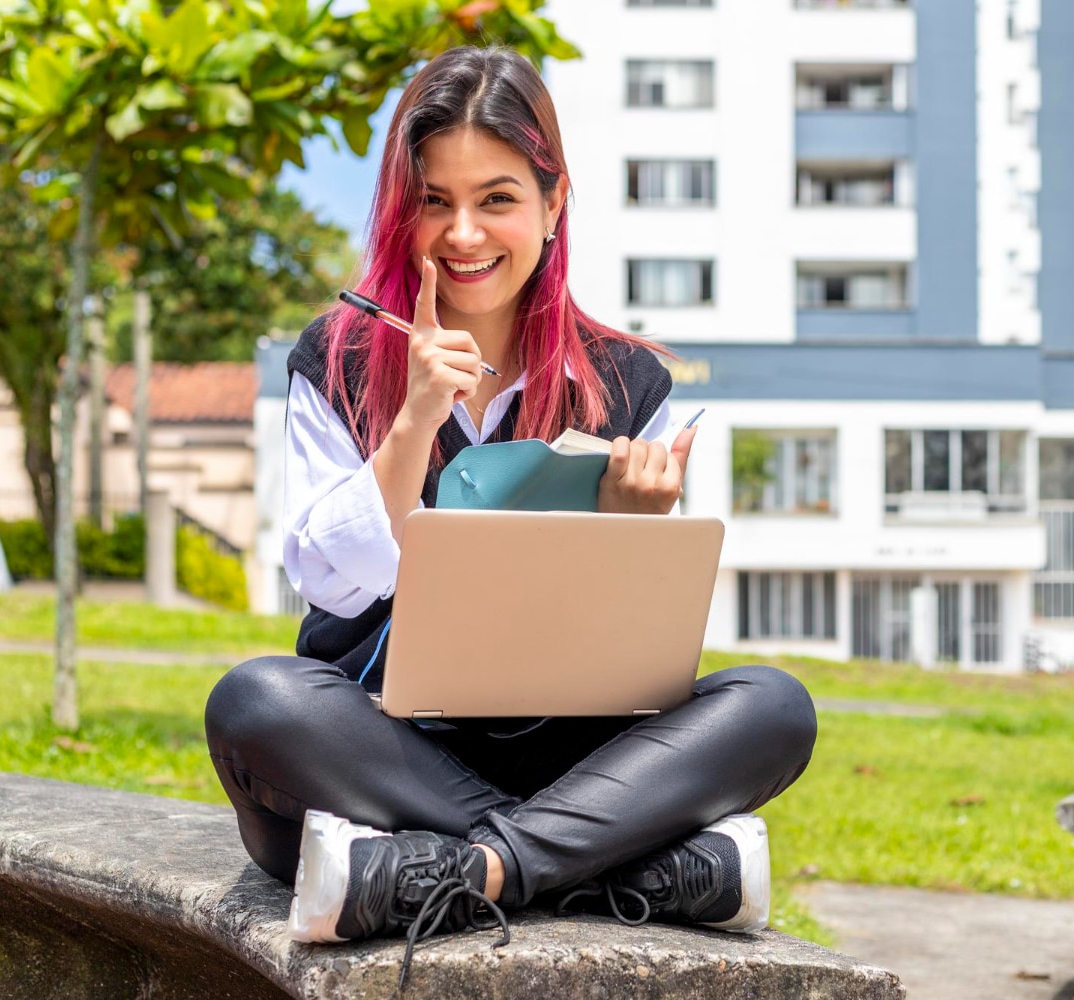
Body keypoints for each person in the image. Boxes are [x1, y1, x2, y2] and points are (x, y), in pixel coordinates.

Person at [202, 45, 817, 975]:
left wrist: (629, 529)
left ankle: (452, 871)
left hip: (569, 757)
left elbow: (635, 653)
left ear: (552, 204)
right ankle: (622, 869)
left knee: (773, 705)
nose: (463, 235)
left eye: (496, 200)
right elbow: (329, 579)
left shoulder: (625, 379)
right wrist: (412, 421)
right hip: (382, 755)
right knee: (257, 702)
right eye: (434, 203)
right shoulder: (337, 359)